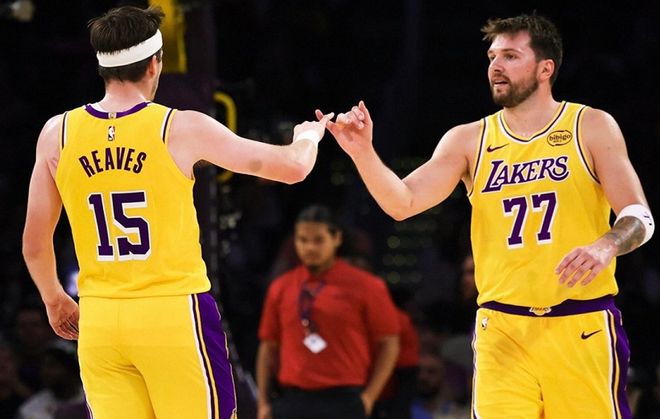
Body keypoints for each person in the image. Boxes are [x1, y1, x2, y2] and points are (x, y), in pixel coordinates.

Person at [320, 14, 654, 419]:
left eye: (511, 56)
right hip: (502, 329)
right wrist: (363, 153)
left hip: (580, 323)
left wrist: (607, 245)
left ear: (545, 68)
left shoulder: (591, 126)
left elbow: (639, 217)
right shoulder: (469, 139)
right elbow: (402, 203)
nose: (496, 66)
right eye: (493, 56)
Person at [22, 5, 331, 419]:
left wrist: (55, 299)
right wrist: (308, 137)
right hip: (172, 313)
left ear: (102, 67)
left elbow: (35, 242)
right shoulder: (180, 127)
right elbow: (293, 168)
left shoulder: (56, 133)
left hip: (100, 318)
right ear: (155, 64)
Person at [256, 204, 400, 419]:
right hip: (293, 400)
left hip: (344, 401)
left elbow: (390, 343)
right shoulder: (281, 287)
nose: (310, 248)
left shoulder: (367, 286)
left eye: (318, 240)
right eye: (302, 240)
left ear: (336, 239)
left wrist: (369, 397)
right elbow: (268, 347)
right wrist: (263, 403)